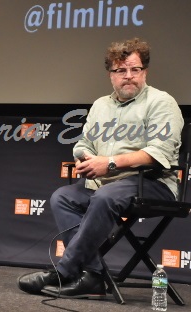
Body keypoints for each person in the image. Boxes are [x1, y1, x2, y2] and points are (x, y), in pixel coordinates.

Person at [17, 38, 184, 299]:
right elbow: (83, 143)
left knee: (106, 196)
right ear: (111, 75)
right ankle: (92, 275)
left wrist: (109, 163)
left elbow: (158, 153)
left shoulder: (162, 103)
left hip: (152, 184)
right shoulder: (100, 106)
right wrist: (86, 156)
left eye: (135, 69)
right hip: (109, 187)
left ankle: (64, 271)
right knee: (63, 197)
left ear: (145, 71)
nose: (129, 76)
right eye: (121, 71)